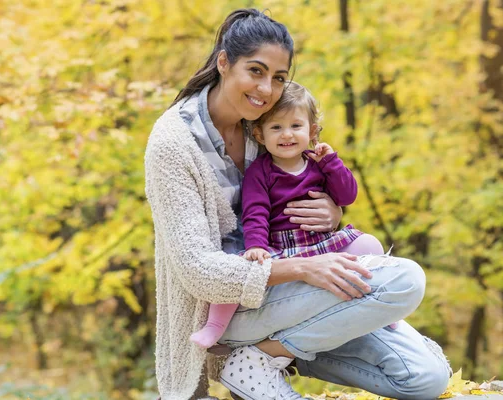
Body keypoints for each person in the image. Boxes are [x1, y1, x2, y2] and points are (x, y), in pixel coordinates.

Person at [144, 8, 451, 400]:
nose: (267, 89)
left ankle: (272, 353)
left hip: (292, 301)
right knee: (406, 279)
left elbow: (309, 180)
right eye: (255, 71)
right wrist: (304, 268)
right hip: (227, 309)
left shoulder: (265, 121)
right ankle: (252, 358)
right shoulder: (174, 143)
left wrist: (334, 212)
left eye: (278, 77)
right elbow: (197, 271)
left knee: (425, 378)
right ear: (223, 62)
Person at [190, 81, 385, 350]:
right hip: (282, 248)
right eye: (276, 128)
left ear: (312, 131)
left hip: (320, 244)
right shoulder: (261, 171)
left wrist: (332, 163)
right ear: (260, 135)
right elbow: (255, 211)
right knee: (237, 271)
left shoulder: (319, 164)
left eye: (295, 126)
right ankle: (214, 327)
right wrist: (256, 246)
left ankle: (379, 306)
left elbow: (347, 196)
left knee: (370, 246)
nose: (287, 135)